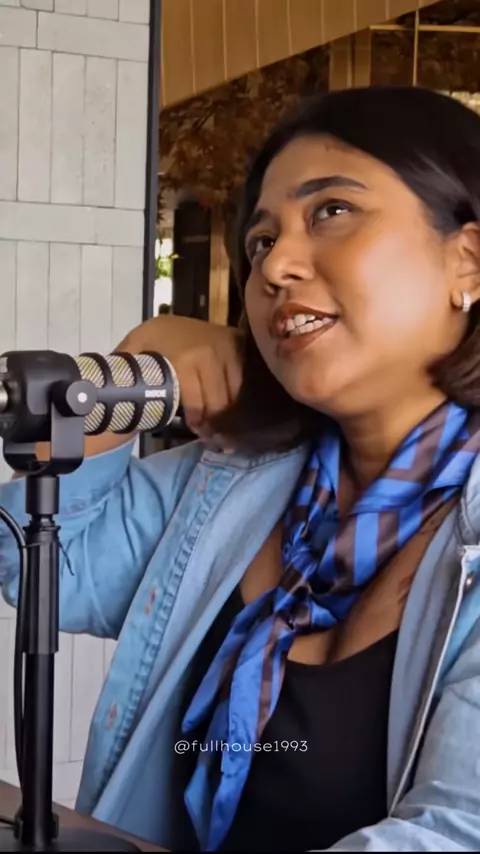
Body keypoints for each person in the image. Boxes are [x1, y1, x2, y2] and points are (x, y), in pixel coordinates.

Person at [1, 85, 480, 852]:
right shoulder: (238, 480)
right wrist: (127, 371)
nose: (276, 265)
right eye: (260, 241)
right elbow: (39, 563)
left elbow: (456, 833)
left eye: (332, 210)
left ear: (468, 261)